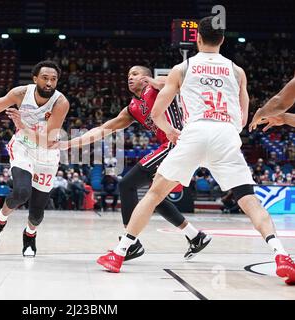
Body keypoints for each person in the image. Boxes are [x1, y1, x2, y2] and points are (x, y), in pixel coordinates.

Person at [97, 16, 295, 285]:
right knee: (250, 201)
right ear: (223, 40)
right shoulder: (238, 71)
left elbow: (156, 112)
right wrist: (229, 132)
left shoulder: (182, 68)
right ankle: (281, 255)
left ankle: (119, 254)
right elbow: (243, 116)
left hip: (195, 133)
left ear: (198, 39)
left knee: (154, 193)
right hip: (226, 134)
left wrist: (169, 130)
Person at [60, 66, 210, 261]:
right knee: (153, 196)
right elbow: (103, 129)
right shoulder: (132, 108)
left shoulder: (158, 87)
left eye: (135, 74)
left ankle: (130, 244)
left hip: (179, 143)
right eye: (128, 75)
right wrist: (70, 143)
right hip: (173, 148)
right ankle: (195, 236)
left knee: (127, 184)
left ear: (146, 76)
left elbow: (180, 82)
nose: (130, 78)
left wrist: (156, 81)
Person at [0, 60, 70, 257]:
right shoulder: (20, 93)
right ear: (35, 79)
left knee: (37, 213)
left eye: (53, 79)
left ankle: (30, 235)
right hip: (23, 147)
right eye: (45, 78)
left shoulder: (61, 102)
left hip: (47, 152)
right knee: (22, 192)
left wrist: (22, 124)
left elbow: (47, 141)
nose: (49, 83)